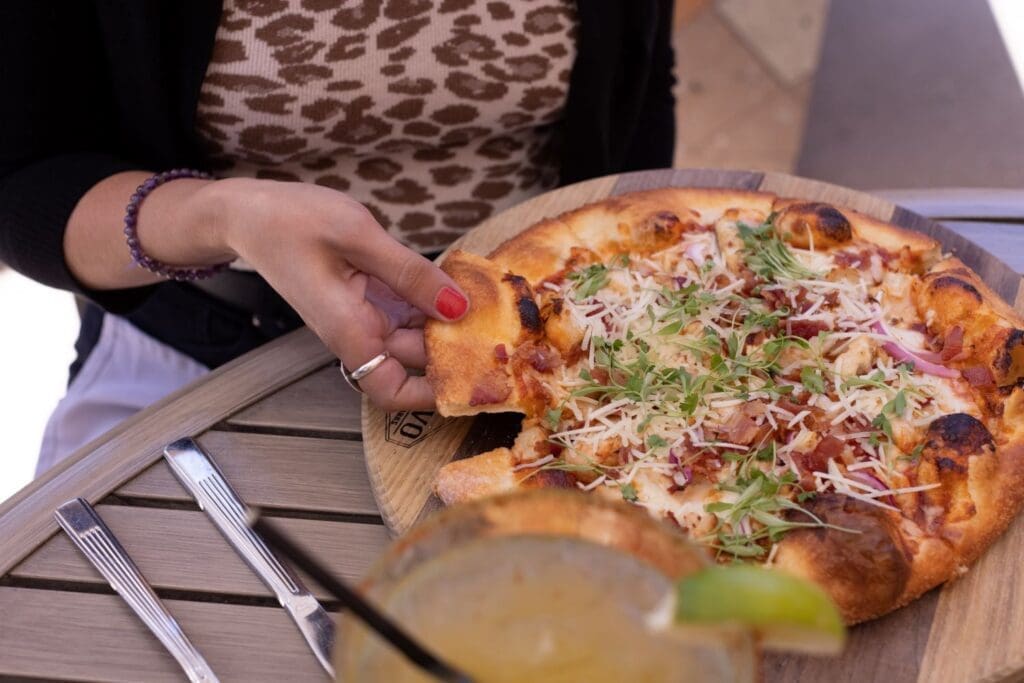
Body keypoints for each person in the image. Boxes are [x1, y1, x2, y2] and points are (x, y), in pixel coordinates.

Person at [0, 1, 675, 474]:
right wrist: (219, 217)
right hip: (213, 339)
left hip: (562, 342)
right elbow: (23, 183)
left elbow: (641, 82)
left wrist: (622, 287)